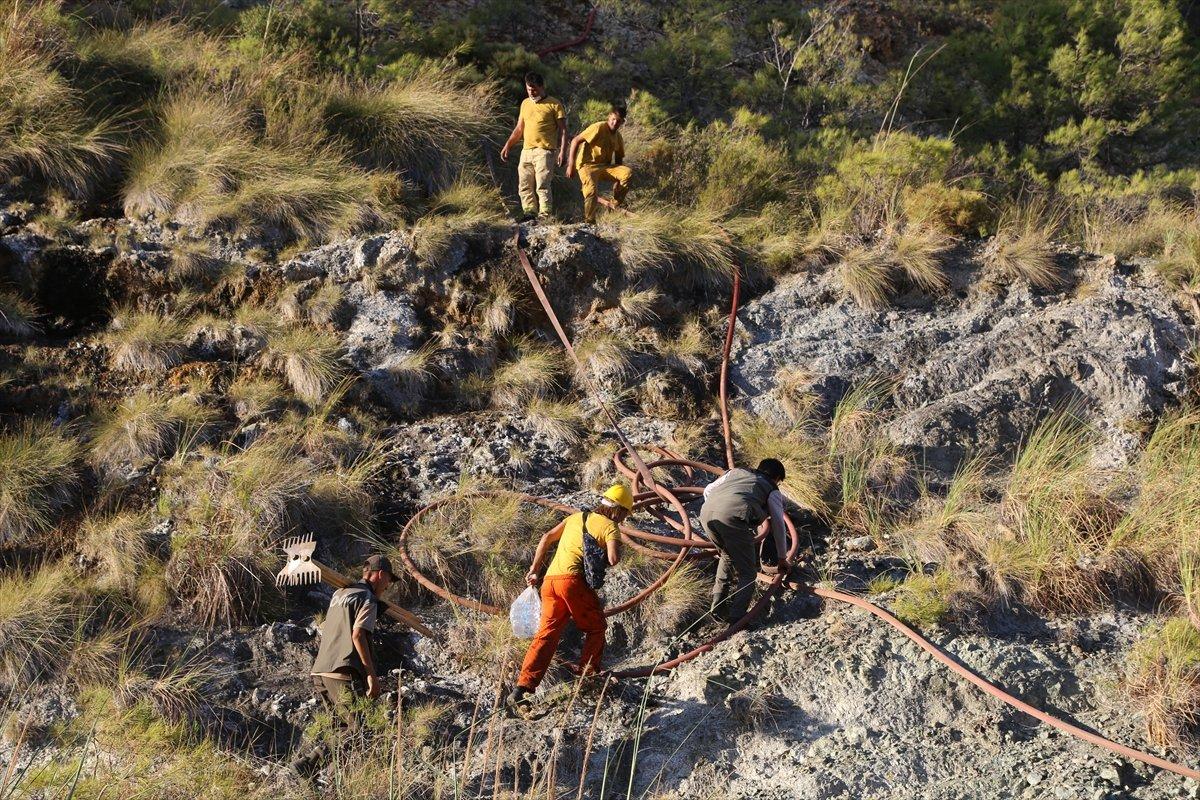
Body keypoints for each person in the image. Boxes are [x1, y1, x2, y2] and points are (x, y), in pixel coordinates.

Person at [508, 484, 633, 710]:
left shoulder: (576, 517)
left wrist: (535, 569)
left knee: (547, 635)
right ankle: (587, 678)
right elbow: (614, 559)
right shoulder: (611, 527)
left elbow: (546, 537)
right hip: (573, 582)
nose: (623, 519)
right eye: (624, 514)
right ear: (618, 511)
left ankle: (523, 688)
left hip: (550, 581)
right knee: (595, 627)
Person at [309, 554, 395, 728]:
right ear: (380, 575)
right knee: (359, 731)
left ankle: (310, 757)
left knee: (338, 732)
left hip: (321, 672)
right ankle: (310, 757)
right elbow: (357, 635)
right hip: (343, 673)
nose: (387, 586)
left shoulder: (339, 593)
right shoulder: (367, 598)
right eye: (389, 580)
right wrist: (371, 675)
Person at [699, 459, 789, 624]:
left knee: (726, 555)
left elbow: (708, 490)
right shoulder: (772, 489)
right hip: (733, 519)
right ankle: (737, 618)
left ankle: (717, 608)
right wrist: (782, 558)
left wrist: (716, 509)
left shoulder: (735, 472)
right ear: (776, 477)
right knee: (748, 573)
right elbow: (778, 525)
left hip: (705, 513)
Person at [500, 72, 567, 222]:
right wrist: (508, 145)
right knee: (524, 184)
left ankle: (545, 215)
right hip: (526, 151)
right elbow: (519, 128)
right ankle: (529, 213)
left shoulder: (554, 104)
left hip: (545, 151)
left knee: (542, 184)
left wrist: (562, 151)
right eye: (529, 89)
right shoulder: (525, 103)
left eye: (534, 89)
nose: (531, 92)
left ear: (542, 87)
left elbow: (563, 130)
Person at [565, 104, 631, 224]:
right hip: (587, 166)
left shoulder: (618, 137)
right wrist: (571, 165)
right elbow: (575, 141)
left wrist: (617, 182)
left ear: (622, 122)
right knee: (591, 190)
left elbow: (619, 160)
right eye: (613, 119)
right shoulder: (598, 127)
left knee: (627, 172)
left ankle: (615, 203)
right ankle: (589, 221)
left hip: (604, 167)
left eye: (618, 121)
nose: (615, 123)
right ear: (609, 117)